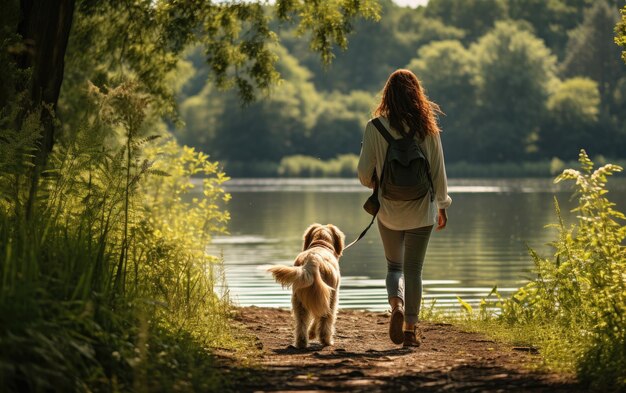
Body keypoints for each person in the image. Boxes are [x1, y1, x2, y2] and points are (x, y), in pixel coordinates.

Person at [357, 69, 451, 347]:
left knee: (394, 266)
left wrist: (377, 182)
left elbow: (364, 174)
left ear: (387, 95)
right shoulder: (427, 127)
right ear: (417, 95)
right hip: (422, 210)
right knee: (414, 271)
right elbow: (438, 171)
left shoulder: (375, 127)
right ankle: (410, 330)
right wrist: (443, 206)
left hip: (388, 209)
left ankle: (395, 305)